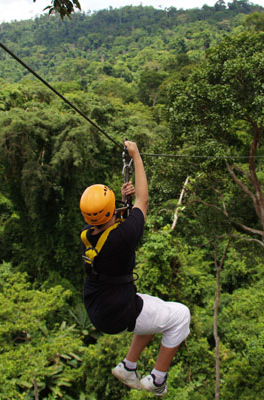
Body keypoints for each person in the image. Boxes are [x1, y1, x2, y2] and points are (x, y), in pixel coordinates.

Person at [79, 140, 190, 396]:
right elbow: (144, 199)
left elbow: (115, 217)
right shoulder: (123, 236)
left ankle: (128, 366)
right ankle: (157, 380)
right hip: (118, 311)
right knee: (181, 315)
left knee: (152, 309)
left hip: (99, 305)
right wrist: (136, 156)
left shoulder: (88, 233)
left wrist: (124, 199)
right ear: (109, 211)